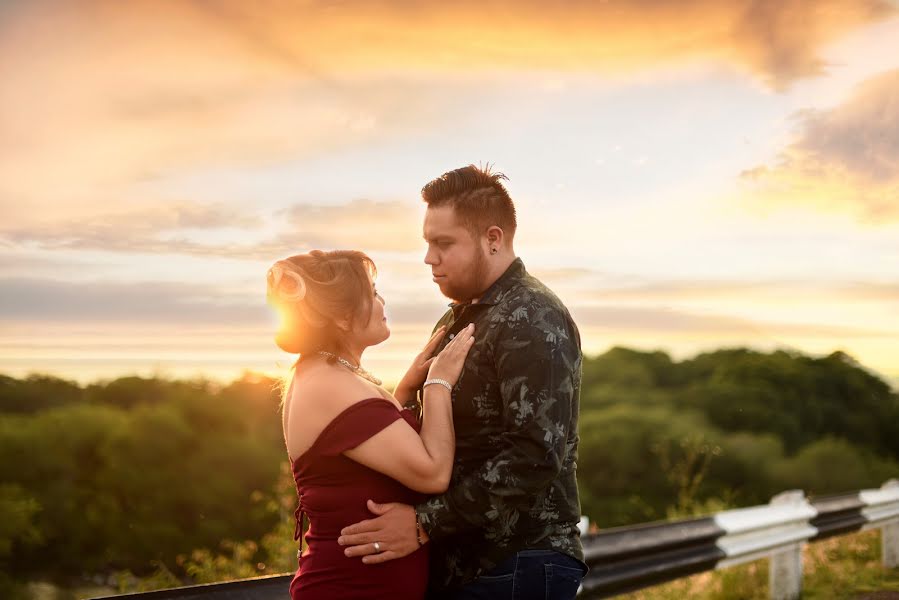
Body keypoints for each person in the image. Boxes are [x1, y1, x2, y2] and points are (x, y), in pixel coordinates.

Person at [338, 165, 587, 599]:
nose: (429, 258)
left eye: (444, 244)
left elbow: (534, 455)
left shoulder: (532, 316)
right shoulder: (460, 316)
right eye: (427, 244)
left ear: (493, 239)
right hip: (464, 565)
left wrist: (422, 524)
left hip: (515, 563)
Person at [266, 249, 475, 599]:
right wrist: (438, 384)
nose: (382, 301)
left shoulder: (330, 373)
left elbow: (372, 447)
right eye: (373, 293)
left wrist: (405, 391)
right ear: (344, 319)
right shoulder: (327, 382)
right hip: (349, 588)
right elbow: (433, 472)